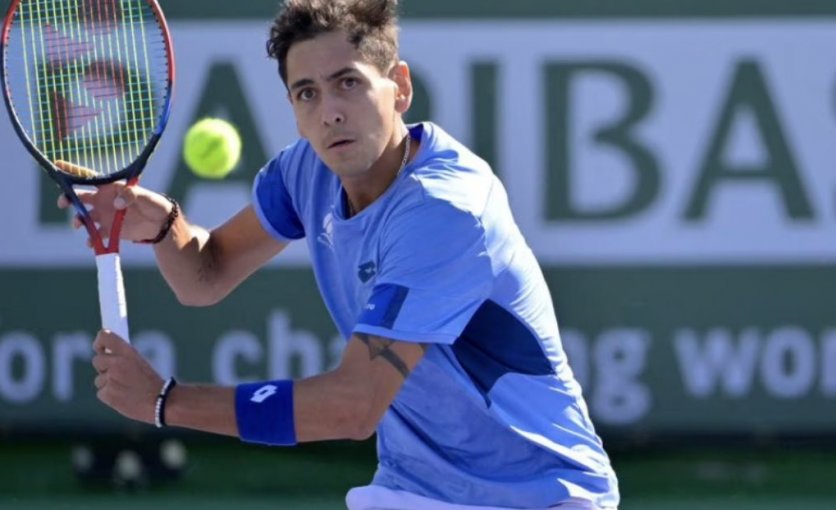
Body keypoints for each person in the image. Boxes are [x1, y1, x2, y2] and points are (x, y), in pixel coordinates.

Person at [61, 1, 619, 508]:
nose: (329, 112)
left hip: (541, 496)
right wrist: (162, 227)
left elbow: (353, 406)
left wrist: (167, 402)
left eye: (347, 83)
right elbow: (204, 276)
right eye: (307, 93)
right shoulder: (307, 170)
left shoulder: (445, 213)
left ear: (399, 87)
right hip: (415, 490)